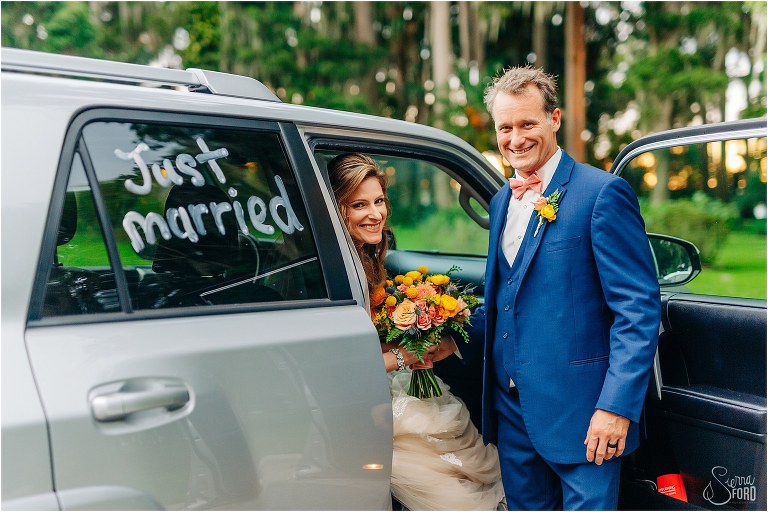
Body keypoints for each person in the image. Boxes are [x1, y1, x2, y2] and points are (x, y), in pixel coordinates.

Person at [465, 66, 661, 510]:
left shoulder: (602, 194)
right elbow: (505, 298)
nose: (516, 138)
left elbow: (638, 310)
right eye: (505, 127)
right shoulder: (501, 201)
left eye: (527, 123)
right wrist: (444, 338)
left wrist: (615, 408)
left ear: (555, 119)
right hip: (510, 411)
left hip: (584, 416)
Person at [327, 153, 505, 510]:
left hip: (389, 384)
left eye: (379, 201)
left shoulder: (363, 258)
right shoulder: (336, 269)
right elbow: (339, 368)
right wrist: (402, 356)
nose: (375, 214)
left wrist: (419, 334)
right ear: (335, 209)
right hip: (365, 400)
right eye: (359, 205)